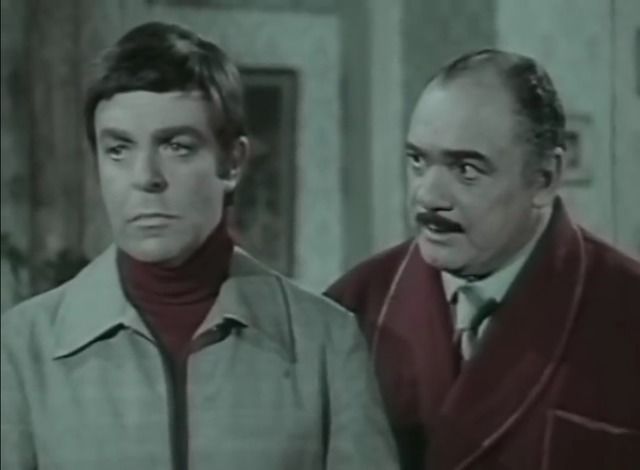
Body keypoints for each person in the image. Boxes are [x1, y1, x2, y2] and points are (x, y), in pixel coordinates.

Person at [1, 22, 399, 470]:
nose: (145, 177)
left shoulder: (326, 341)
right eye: (118, 150)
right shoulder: (23, 347)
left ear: (232, 164)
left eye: (176, 146)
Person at [326, 49, 640, 470]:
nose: (428, 196)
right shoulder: (349, 310)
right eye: (418, 160)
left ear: (544, 178)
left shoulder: (628, 310)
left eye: (467, 169)